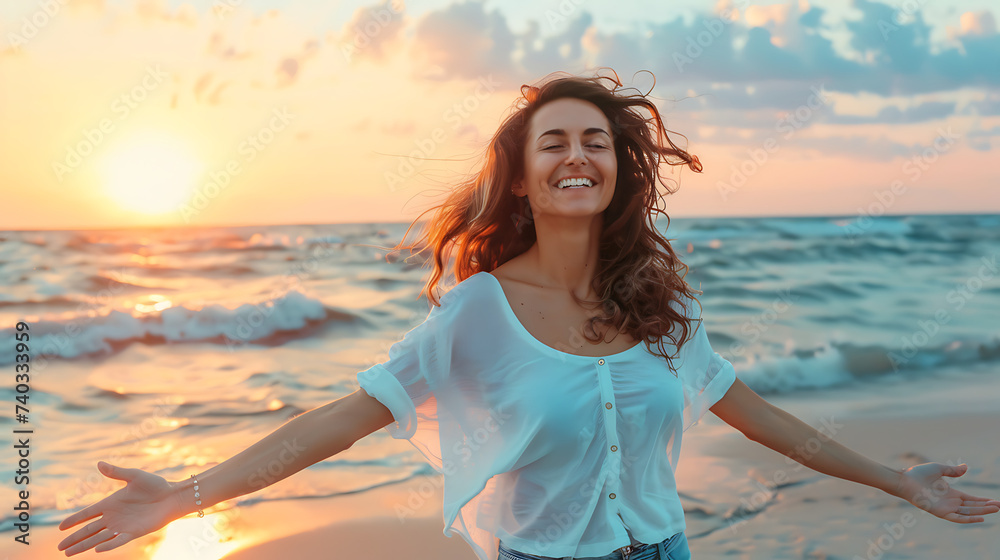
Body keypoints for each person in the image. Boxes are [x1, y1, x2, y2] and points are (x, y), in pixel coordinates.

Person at [57, 69, 1000, 559]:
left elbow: (755, 414)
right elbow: (338, 421)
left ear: (618, 168)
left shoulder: (661, 307)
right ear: (523, 172)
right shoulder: (476, 313)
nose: (578, 152)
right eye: (555, 140)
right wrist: (184, 496)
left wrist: (894, 481)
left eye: (597, 139)